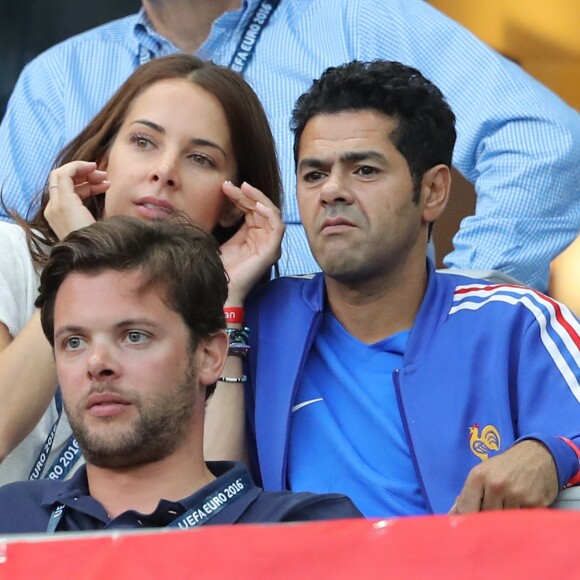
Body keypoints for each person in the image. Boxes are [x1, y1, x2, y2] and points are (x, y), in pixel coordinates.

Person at [0, 1, 579, 292]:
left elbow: (546, 144)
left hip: (350, 401)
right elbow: (13, 268)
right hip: (105, 420)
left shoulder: (359, 16)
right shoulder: (56, 79)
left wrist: (459, 312)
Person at [242, 60, 580, 518]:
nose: (332, 192)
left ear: (434, 191)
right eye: (314, 174)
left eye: (364, 170)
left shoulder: (515, 322)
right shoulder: (257, 322)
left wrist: (549, 452)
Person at [0, 53, 284, 486]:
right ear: (103, 157)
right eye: (144, 142)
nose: (164, 172)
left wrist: (226, 300)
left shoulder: (236, 314)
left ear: (232, 206)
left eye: (200, 159)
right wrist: (81, 260)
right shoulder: (11, 255)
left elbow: (212, 518)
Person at [0, 216, 360, 533]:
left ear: (208, 356)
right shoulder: (12, 517)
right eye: (74, 341)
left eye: (134, 336)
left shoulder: (305, 530)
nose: (97, 363)